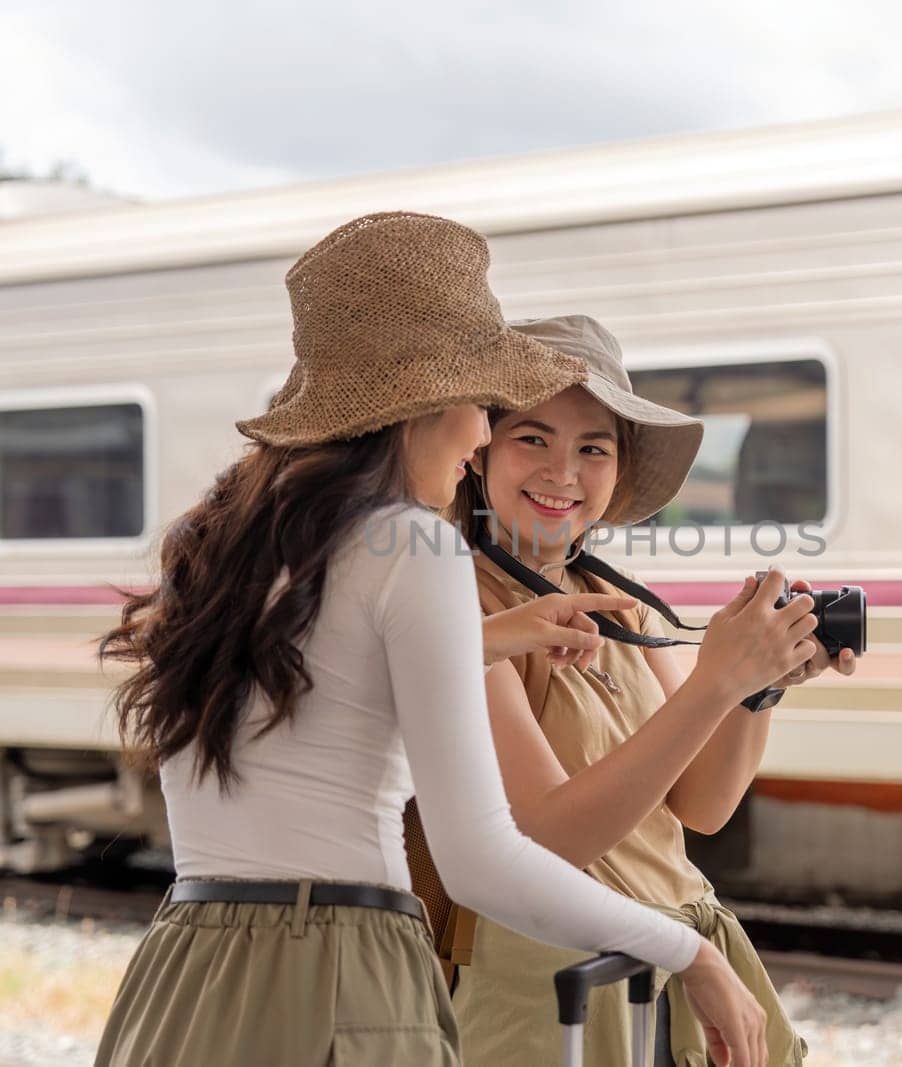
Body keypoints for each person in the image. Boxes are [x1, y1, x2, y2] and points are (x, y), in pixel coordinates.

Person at [93, 215, 806, 1066]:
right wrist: (688, 951)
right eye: (484, 405)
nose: (477, 437)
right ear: (423, 405)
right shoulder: (417, 547)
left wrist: (490, 637)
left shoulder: (217, 543)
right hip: (342, 972)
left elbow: (330, 689)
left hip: (186, 968)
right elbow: (483, 860)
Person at [444, 314, 859, 1066]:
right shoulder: (458, 604)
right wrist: (718, 678)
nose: (562, 472)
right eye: (532, 438)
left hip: (676, 962)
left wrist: (757, 687)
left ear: (619, 468)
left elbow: (701, 806)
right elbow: (547, 839)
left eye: (593, 448)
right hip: (548, 986)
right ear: (479, 453)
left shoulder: (621, 602)